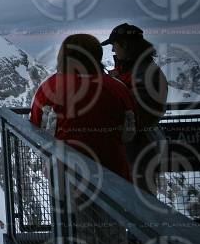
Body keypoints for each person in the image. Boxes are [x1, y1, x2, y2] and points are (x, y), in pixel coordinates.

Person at [30, 34, 136, 181]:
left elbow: (36, 127)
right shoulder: (117, 88)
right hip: (114, 173)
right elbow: (128, 133)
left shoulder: (51, 87)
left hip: (65, 174)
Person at [101, 23, 168, 195]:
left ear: (124, 44)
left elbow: (140, 112)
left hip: (140, 147)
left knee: (140, 200)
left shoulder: (145, 72)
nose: (113, 51)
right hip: (131, 147)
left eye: (114, 46)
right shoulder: (130, 70)